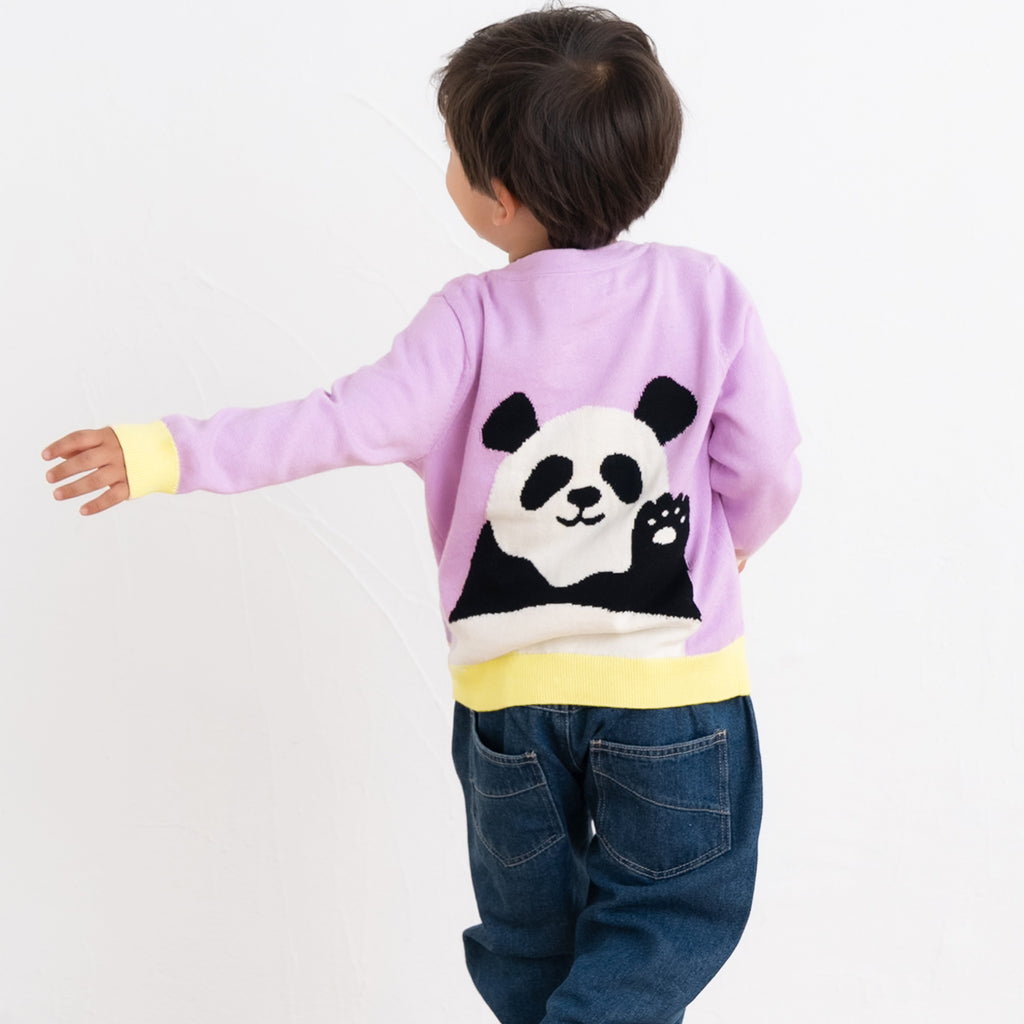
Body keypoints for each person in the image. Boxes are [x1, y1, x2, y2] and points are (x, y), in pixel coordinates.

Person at [42, 6, 801, 1022]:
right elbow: (767, 465)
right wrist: (739, 538)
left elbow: (336, 423)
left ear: (499, 197)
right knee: (667, 919)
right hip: (672, 689)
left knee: (530, 941)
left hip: (509, 707)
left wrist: (165, 451)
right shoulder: (705, 296)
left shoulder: (468, 320)